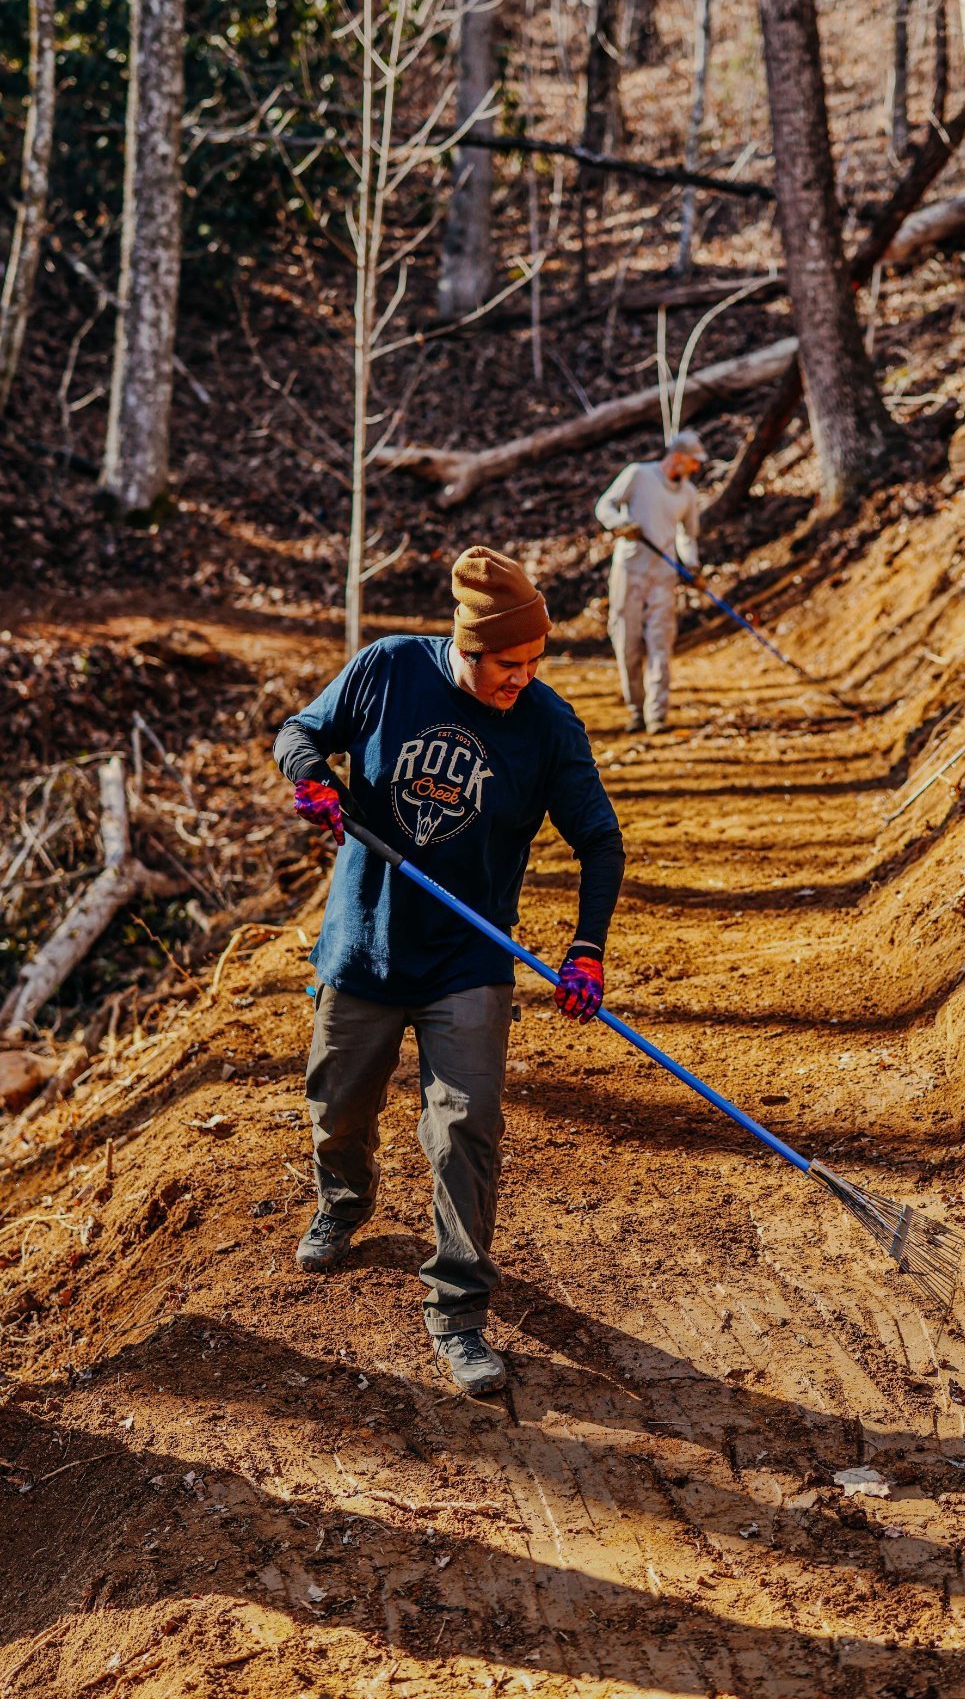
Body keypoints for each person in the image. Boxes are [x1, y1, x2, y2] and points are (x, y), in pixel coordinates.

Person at [274, 546, 624, 1398]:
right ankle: (344, 1201)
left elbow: (600, 842)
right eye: (509, 664)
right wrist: (313, 780)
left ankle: (459, 1309)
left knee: (465, 1128)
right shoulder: (390, 668)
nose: (524, 678)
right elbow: (299, 733)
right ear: (464, 648)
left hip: (469, 960)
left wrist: (586, 948)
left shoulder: (547, 725)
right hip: (363, 944)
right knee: (337, 1103)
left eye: (536, 661)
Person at [595, 429, 706, 734]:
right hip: (630, 570)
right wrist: (622, 525)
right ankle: (636, 710)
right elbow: (604, 506)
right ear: (679, 457)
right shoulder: (638, 475)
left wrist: (693, 566)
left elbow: (687, 537)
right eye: (694, 461)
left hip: (663, 577)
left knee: (660, 643)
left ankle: (657, 714)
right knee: (627, 642)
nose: (696, 468)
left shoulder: (688, 494)